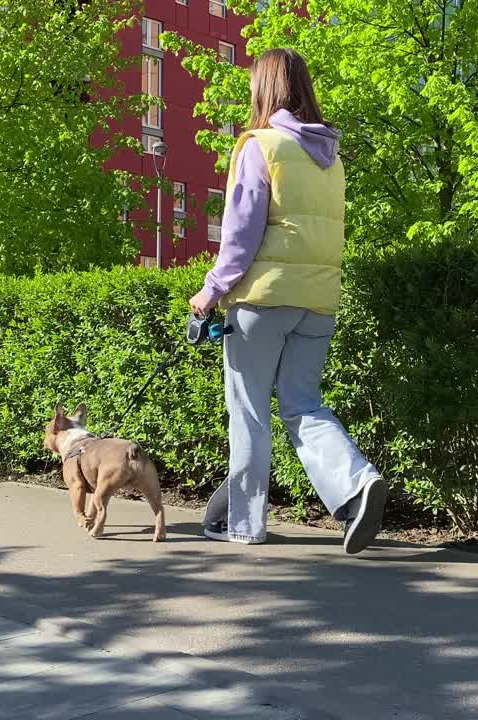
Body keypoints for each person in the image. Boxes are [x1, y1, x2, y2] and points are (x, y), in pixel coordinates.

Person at [188, 48, 388, 554]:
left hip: (263, 298)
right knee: (303, 404)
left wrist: (210, 291)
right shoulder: (332, 158)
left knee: (249, 409)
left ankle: (245, 525)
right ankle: (355, 484)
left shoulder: (261, 146)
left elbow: (241, 233)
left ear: (265, 88)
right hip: (318, 301)